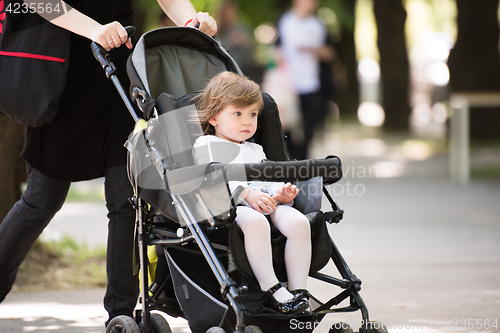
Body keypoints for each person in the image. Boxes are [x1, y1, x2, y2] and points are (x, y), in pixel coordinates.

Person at [0, 0, 217, 327]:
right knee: (42, 200)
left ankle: (122, 315)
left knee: (126, 203)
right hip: (61, 77)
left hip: (118, 75)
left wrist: (191, 19)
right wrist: (96, 30)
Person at [192, 71, 311, 315]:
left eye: (253, 114)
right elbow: (210, 180)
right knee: (256, 220)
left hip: (264, 202)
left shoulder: (256, 150)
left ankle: (298, 291)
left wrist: (280, 193)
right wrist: (245, 194)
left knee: (299, 222)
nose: (247, 121)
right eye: (238, 114)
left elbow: (266, 180)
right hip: (228, 207)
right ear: (214, 117)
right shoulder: (206, 145)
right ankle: (272, 290)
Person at [277, 0, 335, 160]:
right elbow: (277, 50)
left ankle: (303, 160)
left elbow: (329, 53)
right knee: (286, 125)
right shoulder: (285, 21)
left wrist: (310, 48)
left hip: (311, 83)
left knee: (309, 125)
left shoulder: (318, 25)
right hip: (288, 83)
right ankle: (290, 158)